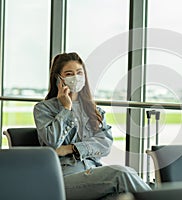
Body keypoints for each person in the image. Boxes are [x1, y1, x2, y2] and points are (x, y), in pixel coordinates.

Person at [33, 52, 151, 200]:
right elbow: (52, 142)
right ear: (58, 78)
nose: (75, 77)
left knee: (123, 196)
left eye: (79, 73)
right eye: (69, 73)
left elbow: (105, 144)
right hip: (63, 179)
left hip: (94, 174)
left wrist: (72, 148)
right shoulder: (43, 109)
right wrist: (66, 109)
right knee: (121, 173)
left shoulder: (94, 110)